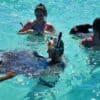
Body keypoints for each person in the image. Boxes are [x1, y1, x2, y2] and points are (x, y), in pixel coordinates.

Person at [0, 32, 65, 81]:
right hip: (25, 59)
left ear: (56, 52)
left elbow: (36, 74)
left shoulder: (55, 68)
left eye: (49, 49)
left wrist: (6, 77)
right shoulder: (60, 57)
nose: (47, 51)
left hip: (21, 64)